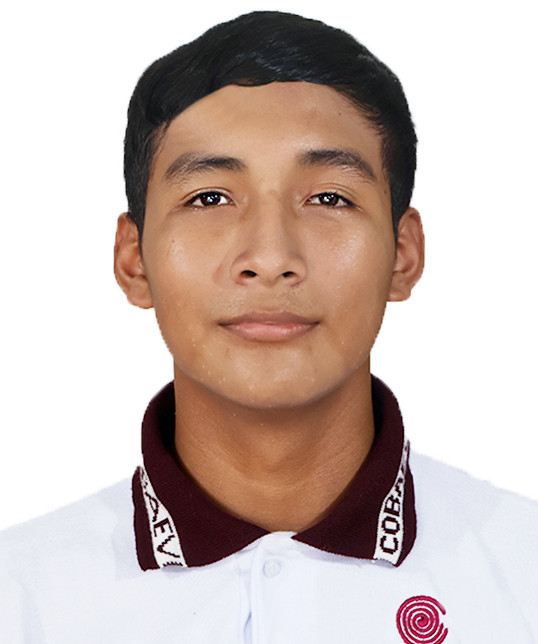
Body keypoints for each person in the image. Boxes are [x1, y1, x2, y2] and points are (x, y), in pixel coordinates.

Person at [1, 10, 537, 643]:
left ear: (403, 254)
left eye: (329, 198)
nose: (271, 257)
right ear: (134, 259)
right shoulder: (21, 596)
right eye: (209, 198)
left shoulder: (523, 574)